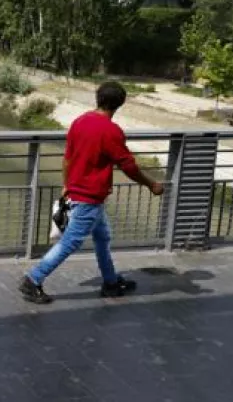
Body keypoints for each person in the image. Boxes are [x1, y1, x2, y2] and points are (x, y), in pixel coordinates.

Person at [19, 81, 165, 304]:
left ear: (97, 98)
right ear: (120, 104)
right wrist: (151, 184)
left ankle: (110, 283)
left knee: (102, 237)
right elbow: (128, 166)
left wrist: (66, 184)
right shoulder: (111, 131)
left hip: (84, 196)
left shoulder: (80, 122)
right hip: (88, 198)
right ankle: (33, 279)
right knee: (70, 242)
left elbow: (67, 157)